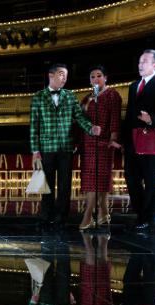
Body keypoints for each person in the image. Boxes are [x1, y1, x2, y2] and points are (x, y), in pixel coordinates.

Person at [30, 63, 101, 230]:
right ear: (51, 75)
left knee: (64, 186)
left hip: (66, 148)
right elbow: (34, 125)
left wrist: (90, 128)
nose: (64, 78)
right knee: (46, 185)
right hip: (46, 148)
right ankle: (46, 217)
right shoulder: (38, 97)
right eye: (61, 74)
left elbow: (79, 117)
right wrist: (35, 150)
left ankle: (61, 219)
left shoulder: (70, 96)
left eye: (66, 75)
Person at [122, 49, 155, 231]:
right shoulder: (133, 86)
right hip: (132, 141)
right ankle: (140, 215)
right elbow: (129, 115)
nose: (140, 64)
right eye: (139, 62)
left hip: (150, 141)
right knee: (131, 178)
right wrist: (122, 139)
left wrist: (152, 119)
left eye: (144, 61)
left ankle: (148, 218)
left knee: (150, 180)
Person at [79, 65, 122, 230]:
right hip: (89, 144)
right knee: (92, 180)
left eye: (98, 76)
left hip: (104, 143)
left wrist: (113, 139)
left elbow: (115, 119)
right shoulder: (88, 97)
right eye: (92, 77)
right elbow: (80, 119)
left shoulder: (113, 95)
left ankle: (88, 215)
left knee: (99, 180)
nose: (95, 79)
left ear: (105, 78)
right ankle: (104, 213)